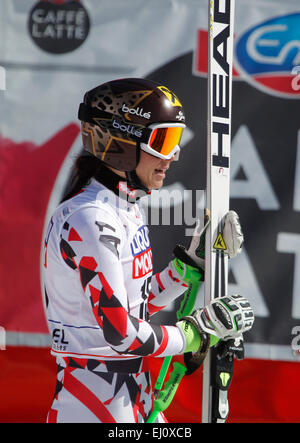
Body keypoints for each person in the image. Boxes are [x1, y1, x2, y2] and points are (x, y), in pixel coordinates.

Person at [43, 78, 254, 423]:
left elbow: (136, 305)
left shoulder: (124, 207)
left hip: (133, 396)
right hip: (93, 404)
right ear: (122, 140)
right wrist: (197, 332)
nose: (172, 156)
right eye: (162, 141)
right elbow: (121, 332)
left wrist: (186, 269)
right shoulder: (90, 218)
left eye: (175, 141)